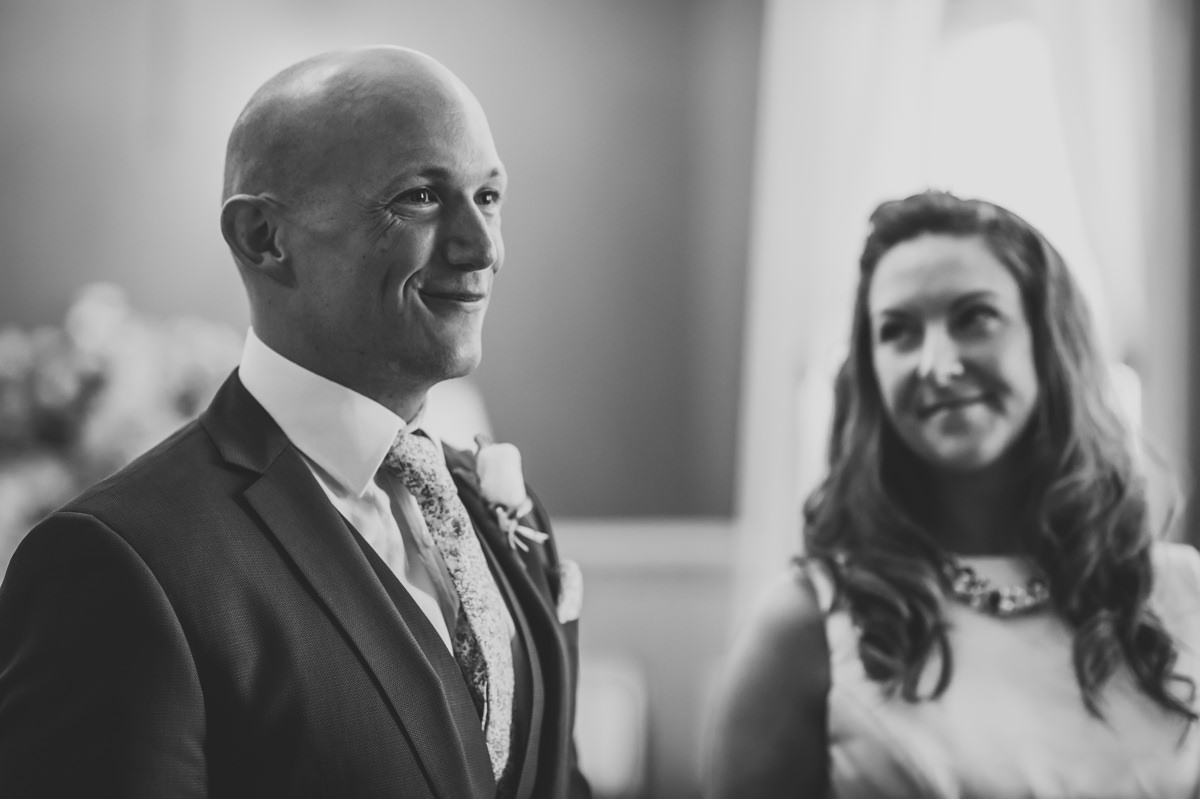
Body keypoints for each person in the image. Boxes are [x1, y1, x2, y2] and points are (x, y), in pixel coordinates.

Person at [0, 46, 591, 799]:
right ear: (263, 237)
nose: (482, 248)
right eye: (418, 197)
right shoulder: (119, 563)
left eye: (489, 196)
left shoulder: (504, 509)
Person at [705, 190, 1200, 797]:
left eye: (974, 318)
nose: (936, 365)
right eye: (898, 331)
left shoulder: (1184, 596)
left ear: (1049, 341)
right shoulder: (808, 624)